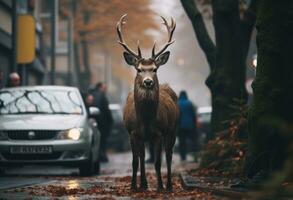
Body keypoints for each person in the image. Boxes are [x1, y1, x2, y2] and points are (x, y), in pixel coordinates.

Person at [90, 82, 113, 162]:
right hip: (103, 123)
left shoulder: (90, 94)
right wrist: (110, 121)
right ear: (99, 87)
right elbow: (107, 111)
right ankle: (101, 156)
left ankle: (97, 156)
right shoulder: (101, 96)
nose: (105, 90)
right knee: (102, 141)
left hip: (92, 122)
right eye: (104, 88)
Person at [177, 90, 197, 161]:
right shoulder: (190, 103)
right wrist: (194, 125)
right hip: (190, 125)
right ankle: (195, 156)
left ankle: (183, 157)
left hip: (181, 126)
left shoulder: (177, 103)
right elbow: (193, 115)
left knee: (182, 142)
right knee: (193, 141)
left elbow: (177, 116)